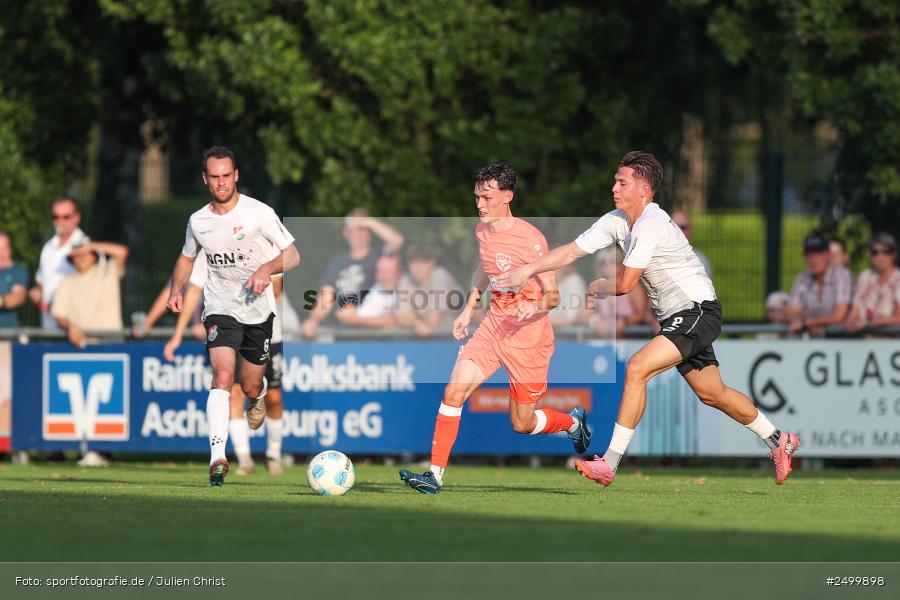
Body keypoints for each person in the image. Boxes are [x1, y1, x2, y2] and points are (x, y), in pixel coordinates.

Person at [497, 151, 798, 487]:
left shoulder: (651, 224)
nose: (613, 187)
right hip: (679, 317)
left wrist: (598, 285)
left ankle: (608, 464)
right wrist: (529, 269)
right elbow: (571, 250)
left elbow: (625, 285)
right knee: (712, 393)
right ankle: (778, 440)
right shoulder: (616, 220)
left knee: (637, 367)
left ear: (643, 190)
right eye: (615, 179)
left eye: (621, 182)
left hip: (697, 310)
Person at [399, 163, 591, 494]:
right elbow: (483, 266)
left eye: (486, 197)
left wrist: (535, 305)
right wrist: (468, 307)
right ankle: (434, 475)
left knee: (522, 423)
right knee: (453, 392)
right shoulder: (482, 230)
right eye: (476, 197)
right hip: (492, 329)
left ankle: (572, 423)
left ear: (507, 196)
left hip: (529, 341)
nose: (479, 204)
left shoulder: (531, 239)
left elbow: (554, 296)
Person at [165, 146, 300, 486]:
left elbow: (294, 255)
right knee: (223, 376)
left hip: (258, 311)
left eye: (227, 176)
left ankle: (257, 394)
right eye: (215, 177)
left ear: (236, 175)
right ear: (205, 179)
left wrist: (266, 269)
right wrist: (175, 289)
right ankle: (217, 457)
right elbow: (186, 258)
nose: (221, 183)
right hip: (220, 308)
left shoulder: (259, 213)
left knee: (252, 384)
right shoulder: (198, 221)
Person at [165, 251, 288, 475]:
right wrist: (177, 335)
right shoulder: (211, 242)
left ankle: (273, 453)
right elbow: (194, 290)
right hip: (227, 324)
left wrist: (256, 279)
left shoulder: (262, 239)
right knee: (230, 386)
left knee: (271, 395)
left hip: (264, 329)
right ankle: (244, 459)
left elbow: (278, 288)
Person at [301, 209, 404, 338]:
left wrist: (368, 222)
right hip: (344, 334)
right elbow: (326, 296)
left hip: (377, 334)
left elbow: (397, 240)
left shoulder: (380, 256)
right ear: (345, 233)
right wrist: (314, 320)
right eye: (355, 229)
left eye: (364, 229)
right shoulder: (337, 262)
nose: (359, 233)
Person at [52, 240, 128, 348]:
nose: (81, 257)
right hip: (82, 344)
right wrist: (70, 327)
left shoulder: (108, 271)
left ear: (94, 257)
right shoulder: (66, 282)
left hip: (112, 342)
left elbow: (122, 252)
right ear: (72, 260)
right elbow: (59, 316)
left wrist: (91, 246)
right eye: (77, 255)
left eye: (85, 253)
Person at [29, 197, 89, 329]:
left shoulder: (86, 247)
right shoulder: (48, 247)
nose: (60, 221)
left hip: (76, 326)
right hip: (49, 325)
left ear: (77, 218)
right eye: (55, 217)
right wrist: (38, 290)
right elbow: (41, 279)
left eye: (66, 216)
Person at [787, 234, 852, 337]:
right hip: (813, 338)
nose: (813, 259)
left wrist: (807, 321)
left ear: (827, 255)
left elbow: (839, 315)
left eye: (818, 254)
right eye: (809, 255)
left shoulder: (841, 274)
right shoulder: (802, 278)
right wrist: (811, 323)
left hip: (842, 339)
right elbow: (791, 312)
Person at [395, 244, 462, 336]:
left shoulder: (440, 275)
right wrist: (417, 323)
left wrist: (415, 320)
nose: (417, 268)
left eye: (422, 262)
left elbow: (434, 319)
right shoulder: (406, 279)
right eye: (413, 263)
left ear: (432, 263)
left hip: (461, 335)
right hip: (436, 337)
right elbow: (400, 317)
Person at [843, 233, 900, 335]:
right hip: (865, 342)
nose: (880, 257)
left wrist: (869, 323)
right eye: (875, 252)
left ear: (893, 255)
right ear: (870, 255)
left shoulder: (898, 279)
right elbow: (855, 309)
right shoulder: (865, 277)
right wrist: (853, 321)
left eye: (886, 252)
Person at [336, 253, 403, 328]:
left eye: (389, 271)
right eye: (381, 271)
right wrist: (349, 314)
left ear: (399, 273)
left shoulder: (407, 288)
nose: (385, 276)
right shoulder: (377, 289)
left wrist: (355, 319)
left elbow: (399, 320)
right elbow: (363, 315)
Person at [670, 209, 712, 279]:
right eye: (674, 227)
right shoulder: (657, 259)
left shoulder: (700, 261)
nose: (679, 231)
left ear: (691, 229)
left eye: (683, 227)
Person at [0, 232, 27, 329]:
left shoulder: (17, 271)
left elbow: (19, 296)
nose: (1, 253)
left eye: (4, 248)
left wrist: (2, 300)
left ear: (10, 249)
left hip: (9, 334)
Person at [548, 263, 586, 328]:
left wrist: (537, 321)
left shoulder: (573, 281)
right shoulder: (552, 285)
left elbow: (569, 319)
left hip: (571, 336)